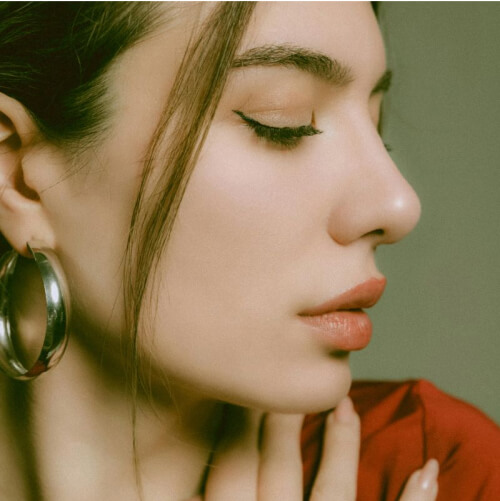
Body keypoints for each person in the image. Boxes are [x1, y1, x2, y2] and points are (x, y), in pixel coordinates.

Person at [0, 2, 498, 500]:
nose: (398, 203)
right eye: (283, 122)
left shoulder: (444, 472)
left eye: (375, 126)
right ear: (19, 177)